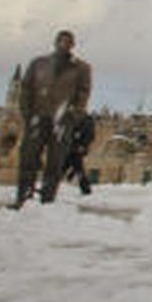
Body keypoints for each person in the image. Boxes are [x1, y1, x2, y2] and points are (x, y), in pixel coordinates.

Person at [14, 29, 93, 206]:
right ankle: (23, 198)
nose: (64, 44)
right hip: (38, 118)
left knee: (55, 164)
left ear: (73, 45)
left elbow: (83, 93)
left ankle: (47, 201)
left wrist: (73, 115)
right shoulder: (38, 64)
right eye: (61, 40)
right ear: (55, 42)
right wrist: (27, 113)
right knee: (28, 160)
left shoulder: (81, 68)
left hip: (62, 122)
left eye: (68, 41)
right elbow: (26, 88)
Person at [61, 111, 96, 195]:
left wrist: (83, 145)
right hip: (71, 147)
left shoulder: (86, 120)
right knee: (67, 166)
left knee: (76, 168)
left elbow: (90, 135)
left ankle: (86, 189)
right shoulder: (73, 117)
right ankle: (50, 185)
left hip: (77, 148)